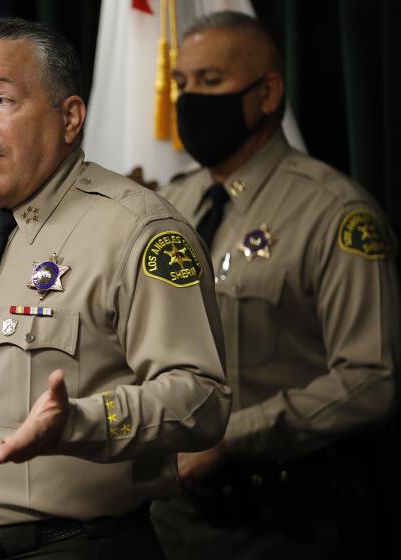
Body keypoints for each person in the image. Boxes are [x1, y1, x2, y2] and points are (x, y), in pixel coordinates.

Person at [0, 17, 231, 558]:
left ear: (70, 117)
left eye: (0, 99)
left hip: (74, 548)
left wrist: (79, 422)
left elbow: (203, 397)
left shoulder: (138, 231)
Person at [150, 12, 399, 559]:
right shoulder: (170, 207)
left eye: (211, 82)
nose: (190, 101)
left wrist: (234, 438)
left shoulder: (333, 212)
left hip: (283, 522)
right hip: (168, 519)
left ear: (267, 94)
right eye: (183, 85)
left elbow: (371, 378)